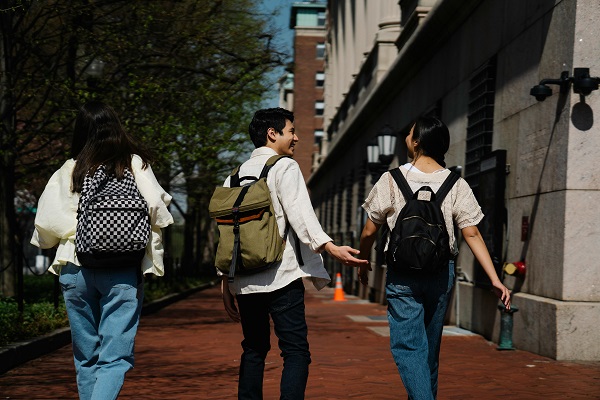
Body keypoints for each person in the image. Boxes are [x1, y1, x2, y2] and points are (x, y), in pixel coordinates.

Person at [220, 107, 368, 400]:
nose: (296, 137)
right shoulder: (284, 167)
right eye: (291, 131)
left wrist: (225, 280)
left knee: (253, 348)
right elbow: (301, 214)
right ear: (272, 134)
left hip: (245, 279)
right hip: (281, 274)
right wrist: (329, 246)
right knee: (296, 351)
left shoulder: (233, 178)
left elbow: (227, 234)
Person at [358, 116, 511, 400]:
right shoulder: (456, 183)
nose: (406, 137)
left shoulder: (391, 180)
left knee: (408, 347)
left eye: (410, 133)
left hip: (402, 274)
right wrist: (495, 279)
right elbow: (473, 234)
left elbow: (369, 230)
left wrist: (363, 260)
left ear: (417, 142)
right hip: (441, 274)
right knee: (429, 347)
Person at [30, 101, 174, 400]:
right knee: (115, 357)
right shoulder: (133, 163)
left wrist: (75, 232)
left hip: (74, 267)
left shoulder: (70, 168)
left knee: (86, 357)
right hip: (121, 269)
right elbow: (158, 210)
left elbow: (45, 223)